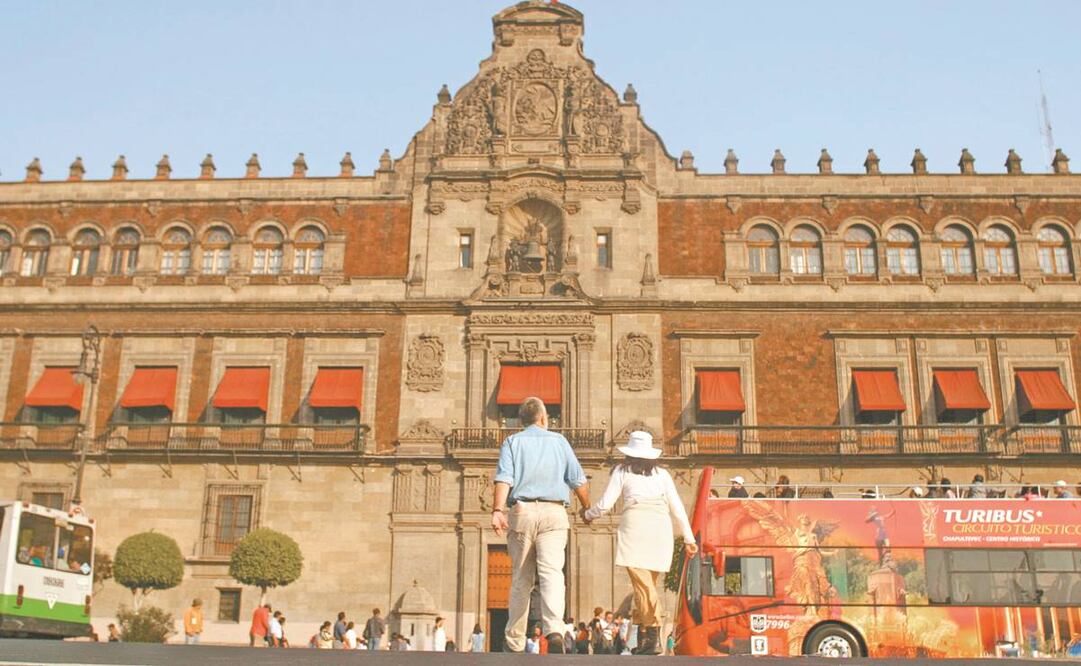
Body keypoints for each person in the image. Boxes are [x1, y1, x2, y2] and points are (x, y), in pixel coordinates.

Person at [490, 396, 590, 654]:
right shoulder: (559, 442)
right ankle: (554, 632)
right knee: (552, 574)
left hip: (522, 510)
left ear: (522, 420)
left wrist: (498, 510)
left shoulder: (512, 442)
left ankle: (513, 641)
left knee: (521, 578)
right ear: (544, 418)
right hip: (554, 511)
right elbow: (578, 480)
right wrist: (587, 507)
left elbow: (504, 478)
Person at [584, 431, 698, 655]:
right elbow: (677, 506)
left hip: (635, 528)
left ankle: (653, 635)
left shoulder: (622, 471)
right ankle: (643, 638)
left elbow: (606, 503)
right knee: (645, 588)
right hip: (660, 529)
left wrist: (589, 514)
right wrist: (688, 538)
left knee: (644, 587)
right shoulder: (662, 474)